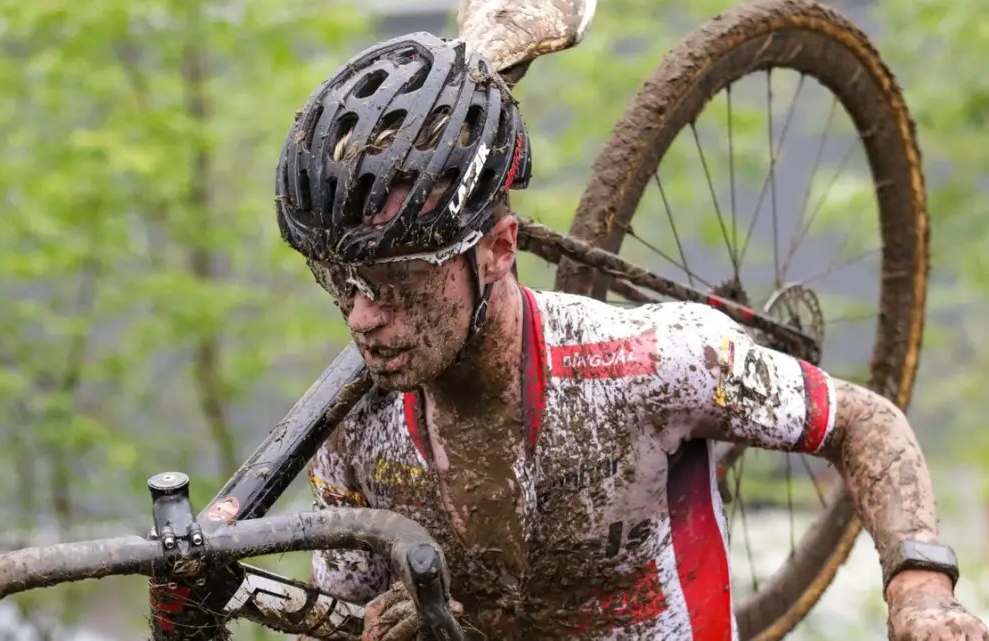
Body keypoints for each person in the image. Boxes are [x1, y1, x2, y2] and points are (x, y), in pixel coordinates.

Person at [274, 31, 988, 641]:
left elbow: (863, 420)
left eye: (399, 281)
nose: (363, 316)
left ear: (497, 249)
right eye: (341, 281)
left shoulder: (649, 363)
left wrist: (921, 588)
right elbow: (346, 606)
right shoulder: (354, 428)